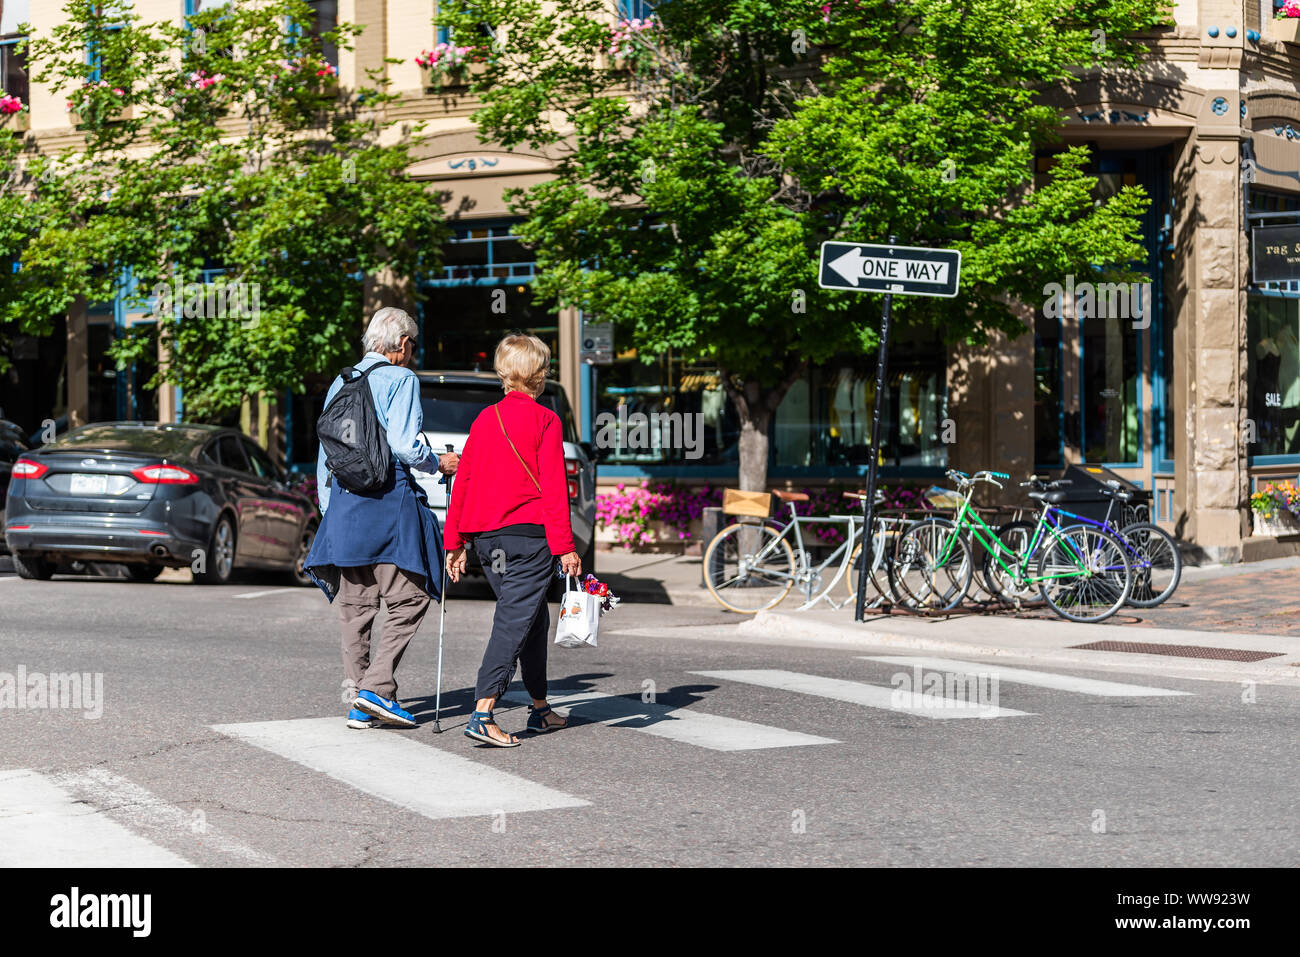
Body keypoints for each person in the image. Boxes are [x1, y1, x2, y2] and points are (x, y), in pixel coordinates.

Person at [304, 307, 458, 730]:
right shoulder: (402, 378)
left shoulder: (343, 379)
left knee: (355, 609)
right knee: (410, 597)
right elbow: (406, 445)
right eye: (413, 345)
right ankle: (376, 689)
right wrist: (438, 464)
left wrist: (328, 507)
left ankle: (361, 701)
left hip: (345, 505)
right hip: (389, 505)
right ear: (404, 345)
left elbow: (325, 454)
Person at [444, 334, 581, 747]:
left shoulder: (485, 419)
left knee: (531, 617)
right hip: (529, 540)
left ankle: (539, 707)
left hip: (490, 544)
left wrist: (455, 542)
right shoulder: (545, 420)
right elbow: (555, 490)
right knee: (514, 620)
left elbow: (464, 482)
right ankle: (483, 712)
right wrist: (566, 546)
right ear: (538, 376)